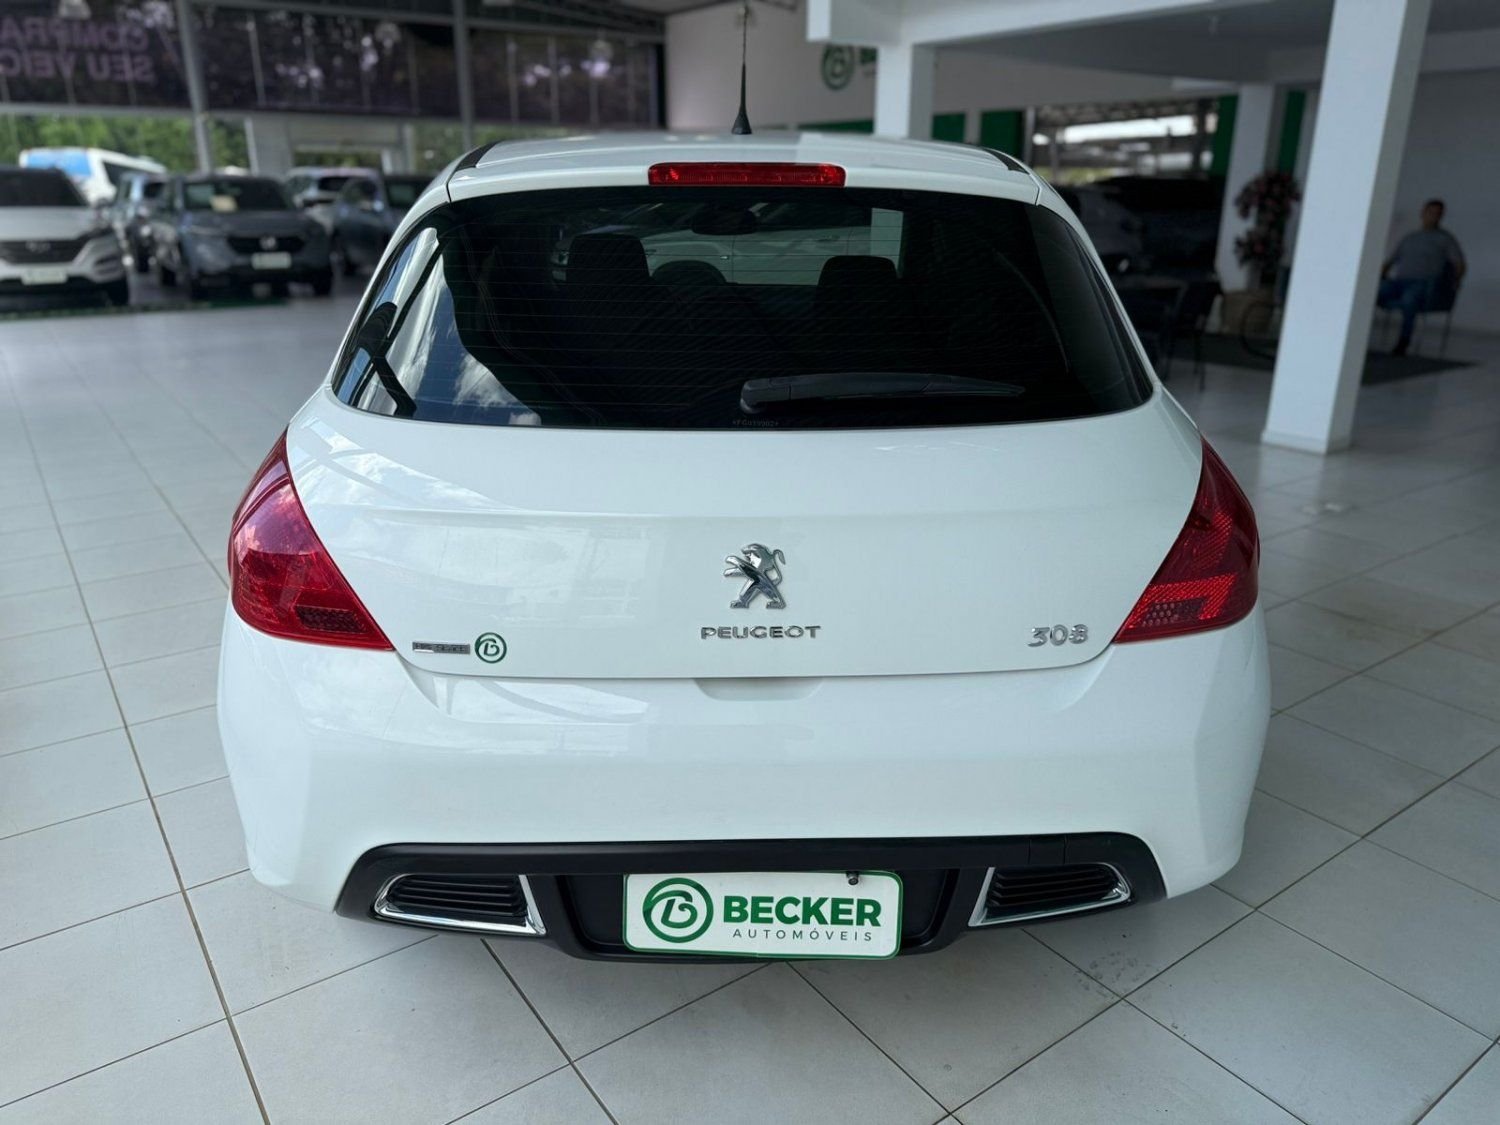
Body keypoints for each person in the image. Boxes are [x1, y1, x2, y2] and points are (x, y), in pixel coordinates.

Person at [1378, 199, 1465, 356]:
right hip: (1398, 283)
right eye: (1430, 212)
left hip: (1425, 285)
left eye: (1437, 214)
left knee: (1410, 298)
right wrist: (1379, 277)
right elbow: (1390, 261)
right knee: (1376, 292)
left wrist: (1456, 281)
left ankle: (1404, 341)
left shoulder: (1445, 239)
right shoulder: (1410, 238)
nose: (1433, 216)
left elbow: (1458, 263)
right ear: (1423, 213)